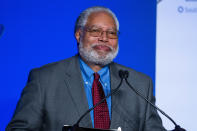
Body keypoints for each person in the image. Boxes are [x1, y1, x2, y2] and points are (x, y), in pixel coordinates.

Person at [6, 6, 166, 131]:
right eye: (96, 31)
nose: (104, 38)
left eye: (111, 33)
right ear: (78, 34)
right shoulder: (44, 79)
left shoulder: (139, 83)